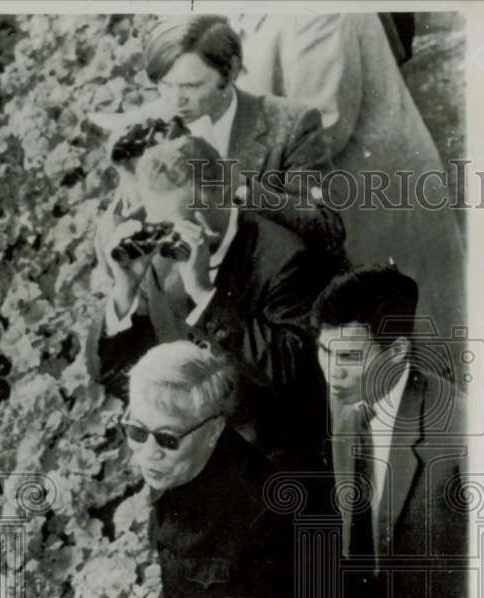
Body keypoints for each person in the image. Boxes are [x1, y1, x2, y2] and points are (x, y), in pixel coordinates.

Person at [312, 264, 469, 598]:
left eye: (350, 356)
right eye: (324, 352)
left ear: (398, 353)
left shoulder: (461, 437)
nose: (332, 372)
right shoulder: (349, 403)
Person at [233, 13, 467, 363]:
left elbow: (324, 127)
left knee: (402, 335)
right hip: (319, 195)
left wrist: (226, 168)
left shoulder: (323, 16)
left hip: (369, 192)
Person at [89, 133, 335, 461]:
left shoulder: (285, 257)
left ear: (221, 193)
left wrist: (205, 296)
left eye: (183, 220)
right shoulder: (159, 261)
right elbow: (109, 372)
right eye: (159, 225)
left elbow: (293, 372)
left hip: (271, 459)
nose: (169, 237)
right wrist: (124, 291)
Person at [101, 344, 299, 598]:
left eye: (167, 439)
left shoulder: (265, 512)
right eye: (136, 431)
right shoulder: (175, 471)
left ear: (212, 431)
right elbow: (183, 575)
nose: (148, 454)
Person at [140, 14, 346, 252]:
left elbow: (328, 228)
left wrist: (240, 187)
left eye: (191, 86)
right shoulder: (160, 139)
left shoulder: (291, 123)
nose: (176, 100)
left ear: (231, 71)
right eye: (165, 85)